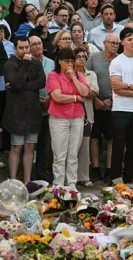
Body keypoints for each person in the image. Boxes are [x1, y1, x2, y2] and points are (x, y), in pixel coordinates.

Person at [2, 36, 46, 184]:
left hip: (33, 110)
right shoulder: (9, 64)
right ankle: (13, 181)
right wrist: (25, 65)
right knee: (16, 147)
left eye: (27, 47)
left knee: (30, 146)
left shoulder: (37, 63)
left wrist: (18, 85)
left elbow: (41, 82)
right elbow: (16, 82)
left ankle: (27, 181)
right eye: (21, 48)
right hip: (16, 112)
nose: (25, 50)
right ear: (15, 48)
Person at [108, 28, 133, 185]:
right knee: (118, 145)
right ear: (122, 42)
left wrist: (127, 86)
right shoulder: (116, 62)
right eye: (129, 39)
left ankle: (128, 178)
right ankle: (115, 179)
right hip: (120, 109)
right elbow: (116, 89)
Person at [47, 47, 90, 189]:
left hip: (77, 117)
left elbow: (85, 92)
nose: (70, 64)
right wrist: (76, 97)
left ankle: (71, 183)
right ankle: (58, 183)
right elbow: (57, 97)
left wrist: (73, 78)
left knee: (73, 153)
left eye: (72, 61)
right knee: (60, 153)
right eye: (67, 61)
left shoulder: (78, 75)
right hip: (59, 118)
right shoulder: (53, 76)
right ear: (59, 61)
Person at [87, 34, 118, 181]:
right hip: (95, 103)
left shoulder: (119, 60)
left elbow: (122, 81)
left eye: (117, 43)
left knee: (111, 138)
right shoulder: (94, 57)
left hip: (114, 103)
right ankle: (95, 168)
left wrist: (111, 99)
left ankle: (109, 168)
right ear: (104, 43)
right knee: (94, 137)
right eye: (112, 43)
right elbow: (86, 77)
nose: (115, 46)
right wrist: (95, 99)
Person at [72, 47, 99, 187]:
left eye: (84, 56)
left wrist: (81, 92)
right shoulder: (69, 74)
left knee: (84, 146)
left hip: (88, 115)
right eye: (79, 56)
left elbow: (94, 92)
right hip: (71, 114)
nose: (82, 58)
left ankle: (84, 176)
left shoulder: (91, 74)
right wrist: (83, 91)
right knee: (72, 147)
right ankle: (70, 177)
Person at [29, 34, 54, 182]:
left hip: (49, 105)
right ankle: (30, 173)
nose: (38, 46)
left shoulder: (51, 63)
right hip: (31, 107)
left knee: (45, 143)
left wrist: (50, 98)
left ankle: (42, 171)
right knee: (31, 143)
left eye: (39, 43)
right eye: (34, 44)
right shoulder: (26, 63)